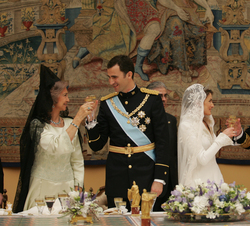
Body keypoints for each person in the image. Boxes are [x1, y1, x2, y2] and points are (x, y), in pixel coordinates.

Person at [86, 55, 170, 210]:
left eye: (114, 77)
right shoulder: (107, 104)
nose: (111, 82)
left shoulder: (151, 100)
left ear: (129, 74)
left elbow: (163, 142)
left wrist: (160, 178)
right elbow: (97, 144)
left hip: (147, 176)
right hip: (117, 179)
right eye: (109, 77)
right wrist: (91, 121)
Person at [13, 65, 95, 212]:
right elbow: (56, 147)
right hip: (43, 189)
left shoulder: (70, 123)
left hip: (68, 189)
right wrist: (78, 118)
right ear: (52, 98)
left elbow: (76, 159)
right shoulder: (38, 126)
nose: (68, 99)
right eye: (65, 95)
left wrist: (78, 186)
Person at [178, 84, 235, 187]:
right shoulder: (186, 126)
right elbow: (202, 158)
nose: (212, 105)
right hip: (199, 182)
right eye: (210, 101)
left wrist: (233, 134)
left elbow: (213, 148)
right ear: (198, 103)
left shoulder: (207, 122)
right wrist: (221, 138)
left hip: (215, 176)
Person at [146, 81, 178, 211]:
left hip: (168, 182)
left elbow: (173, 152)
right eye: (160, 96)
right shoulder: (143, 121)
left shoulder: (171, 120)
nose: (164, 99)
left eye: (165, 96)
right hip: (148, 180)